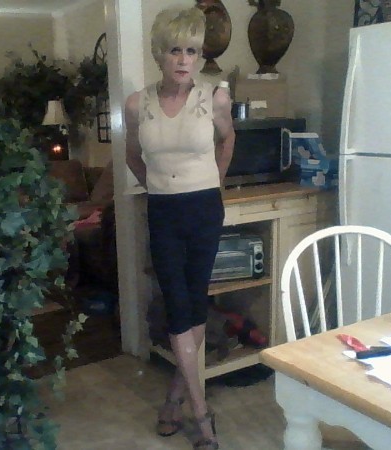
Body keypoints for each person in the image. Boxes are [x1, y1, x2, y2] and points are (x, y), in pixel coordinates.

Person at [124, 6, 234, 450]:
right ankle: (200, 413)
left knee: (194, 302)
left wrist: (216, 183)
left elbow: (228, 138)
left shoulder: (215, 97)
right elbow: (133, 155)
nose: (184, 60)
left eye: (192, 50)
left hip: (204, 209)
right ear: (159, 54)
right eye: (175, 50)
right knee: (177, 307)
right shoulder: (138, 103)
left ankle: (174, 402)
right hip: (164, 211)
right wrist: (156, 185)